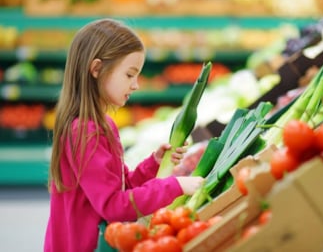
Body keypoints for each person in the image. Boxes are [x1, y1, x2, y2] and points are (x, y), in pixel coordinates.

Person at [44, 18, 204, 252]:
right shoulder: (85, 132)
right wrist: (175, 186)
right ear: (96, 69)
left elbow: (119, 187)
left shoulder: (102, 124)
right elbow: (112, 205)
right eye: (129, 75)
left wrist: (154, 164)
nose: (136, 84)